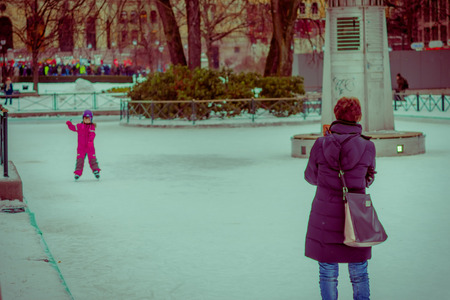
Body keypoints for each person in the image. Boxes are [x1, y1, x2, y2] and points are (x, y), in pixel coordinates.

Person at [304, 97, 376, 300]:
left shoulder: (321, 144)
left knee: (327, 269)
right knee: (359, 269)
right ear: (357, 116)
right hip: (356, 213)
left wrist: (329, 179)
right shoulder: (367, 146)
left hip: (325, 213)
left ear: (336, 114)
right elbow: (368, 178)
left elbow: (310, 177)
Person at [66, 110, 101, 180]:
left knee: (92, 159)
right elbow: (73, 128)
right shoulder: (79, 126)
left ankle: (96, 171)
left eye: (88, 119)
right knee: (80, 160)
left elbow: (92, 134)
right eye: (85, 118)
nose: (86, 120)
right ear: (83, 119)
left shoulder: (91, 127)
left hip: (90, 147)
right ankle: (77, 173)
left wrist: (90, 141)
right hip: (81, 148)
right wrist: (69, 124)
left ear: (91, 119)